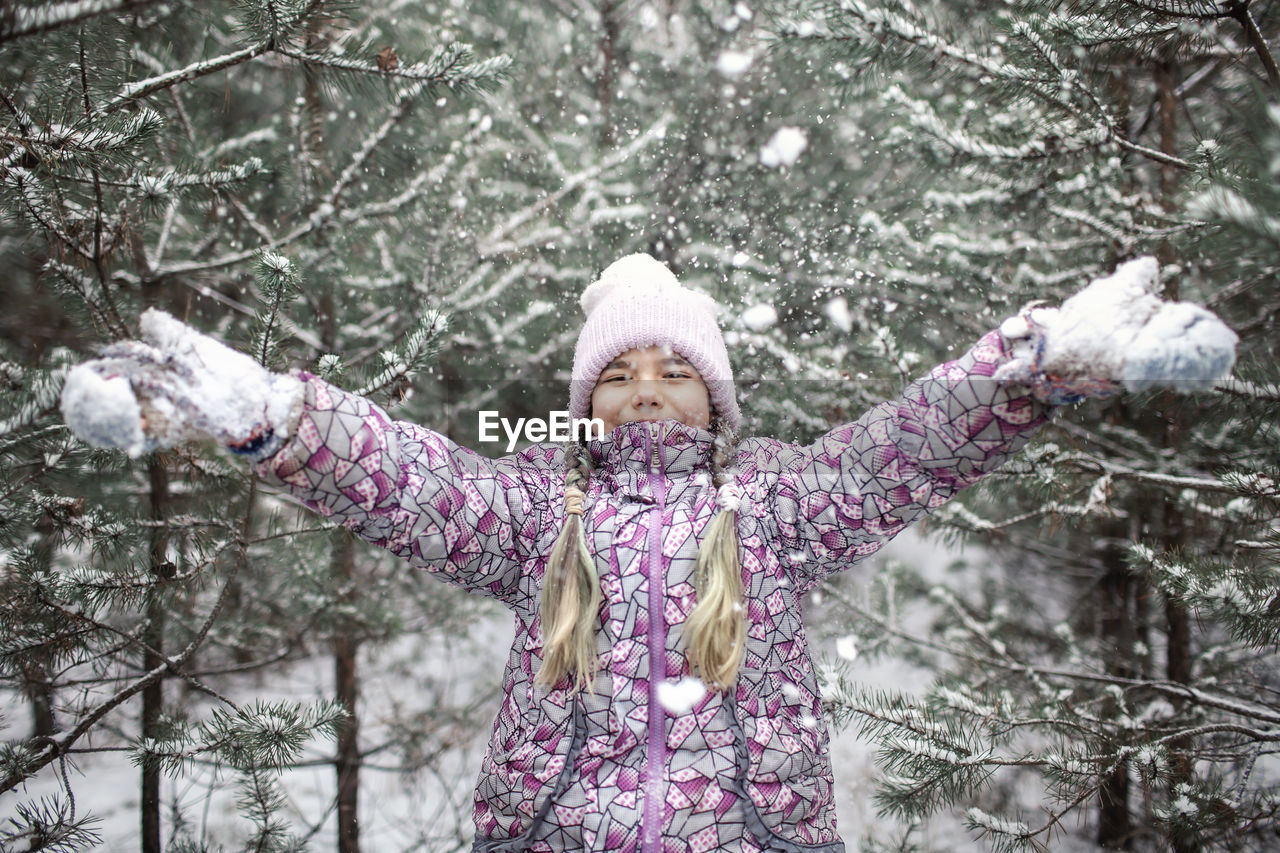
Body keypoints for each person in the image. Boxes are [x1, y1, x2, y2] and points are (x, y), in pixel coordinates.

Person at [60, 254, 1236, 852]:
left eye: (673, 369)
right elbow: (406, 477)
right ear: (584, 403)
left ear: (715, 395)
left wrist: (1024, 367)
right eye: (617, 375)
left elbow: (908, 445)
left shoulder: (777, 506)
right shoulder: (536, 514)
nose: (645, 390)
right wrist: (277, 413)